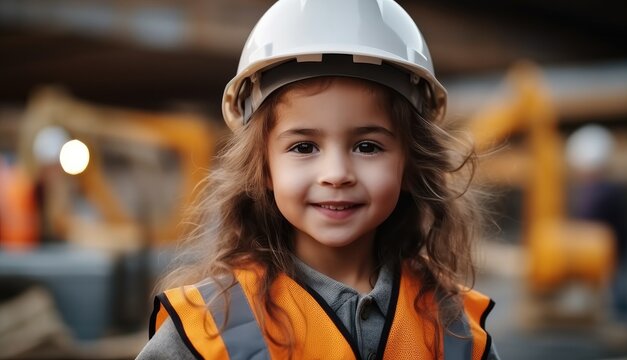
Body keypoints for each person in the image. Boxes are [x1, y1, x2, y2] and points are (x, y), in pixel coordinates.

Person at [137, 0, 498, 359]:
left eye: (368, 147)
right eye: (305, 147)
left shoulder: (455, 328)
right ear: (263, 168)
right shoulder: (211, 327)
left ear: (410, 164)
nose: (337, 174)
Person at [566, 124, 627, 318]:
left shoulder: (598, 193)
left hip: (610, 254)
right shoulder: (609, 189)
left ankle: (621, 322)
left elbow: (586, 224)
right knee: (618, 293)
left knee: (615, 297)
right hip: (618, 251)